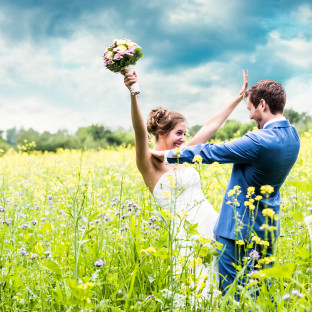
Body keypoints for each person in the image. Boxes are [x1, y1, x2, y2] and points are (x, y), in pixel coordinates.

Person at [151, 79, 301, 295]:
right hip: (267, 229)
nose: (250, 116)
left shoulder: (259, 140)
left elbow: (212, 152)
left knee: (235, 296)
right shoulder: (293, 136)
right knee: (261, 295)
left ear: (263, 104)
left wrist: (164, 155)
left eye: (250, 109)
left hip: (237, 232)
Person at [123, 70, 248, 293]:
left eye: (184, 134)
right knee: (199, 290)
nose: (183, 139)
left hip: (213, 225)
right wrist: (134, 93)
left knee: (224, 287)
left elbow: (209, 127)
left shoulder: (180, 154)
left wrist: (237, 99)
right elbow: (139, 130)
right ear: (161, 132)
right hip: (187, 236)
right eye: (178, 133)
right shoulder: (149, 164)